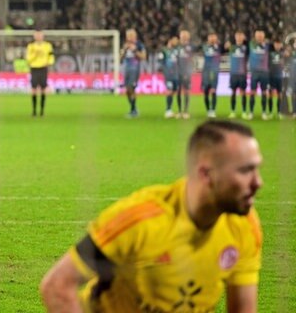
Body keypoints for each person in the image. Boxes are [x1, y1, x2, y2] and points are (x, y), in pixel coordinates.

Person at [40, 119, 263, 313]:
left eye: (257, 169)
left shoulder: (244, 225)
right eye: (245, 171)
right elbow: (57, 285)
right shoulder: (139, 220)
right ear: (206, 174)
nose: (257, 182)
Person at [26, 29, 55, 117]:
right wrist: (36, 54)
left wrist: (49, 62)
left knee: (43, 89)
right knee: (34, 89)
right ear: (34, 36)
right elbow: (28, 58)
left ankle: (42, 111)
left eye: (40, 35)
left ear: (43, 36)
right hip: (34, 68)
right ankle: (34, 111)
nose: (38, 37)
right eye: (37, 35)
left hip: (43, 68)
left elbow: (51, 56)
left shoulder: (47, 46)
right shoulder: (31, 46)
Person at [120, 29, 146, 118]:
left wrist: (135, 50)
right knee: (127, 90)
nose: (129, 37)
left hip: (135, 69)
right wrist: (123, 52)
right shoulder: (125, 45)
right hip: (126, 69)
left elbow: (143, 57)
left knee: (132, 88)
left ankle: (133, 110)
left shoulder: (139, 45)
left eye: (131, 35)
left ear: (135, 36)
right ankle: (133, 108)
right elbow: (120, 59)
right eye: (128, 35)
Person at [247, 30, 270, 120]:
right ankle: (251, 112)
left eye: (261, 36)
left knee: (264, 93)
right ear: (255, 36)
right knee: (252, 92)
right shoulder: (250, 45)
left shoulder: (268, 46)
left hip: (264, 72)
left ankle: (264, 112)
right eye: (258, 36)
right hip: (254, 73)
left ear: (264, 36)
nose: (259, 37)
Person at [201, 33, 224, 118]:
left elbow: (227, 49)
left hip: (215, 71)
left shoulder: (219, 47)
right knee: (206, 92)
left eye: (214, 37)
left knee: (214, 90)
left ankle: (213, 110)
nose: (212, 39)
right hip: (206, 72)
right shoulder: (204, 46)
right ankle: (208, 110)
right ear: (208, 38)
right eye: (210, 37)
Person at [227, 31, 249, 119]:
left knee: (243, 93)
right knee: (233, 92)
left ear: (243, 37)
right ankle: (232, 111)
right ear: (235, 37)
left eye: (241, 36)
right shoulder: (231, 47)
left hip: (242, 73)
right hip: (233, 73)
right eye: (238, 36)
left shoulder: (246, 47)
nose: (239, 37)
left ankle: (244, 112)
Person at [158, 36, 179, 118]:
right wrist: (164, 69)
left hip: (177, 74)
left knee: (174, 91)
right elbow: (160, 61)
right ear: (170, 40)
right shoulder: (164, 51)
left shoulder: (177, 50)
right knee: (169, 91)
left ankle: (173, 110)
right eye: (175, 40)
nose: (177, 42)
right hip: (168, 74)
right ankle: (168, 110)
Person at [268, 38, 284, 119]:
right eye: (276, 44)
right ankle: (270, 112)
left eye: (279, 44)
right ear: (274, 45)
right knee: (270, 95)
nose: (277, 46)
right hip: (271, 77)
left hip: (280, 77)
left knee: (280, 95)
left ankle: (279, 112)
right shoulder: (270, 53)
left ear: (281, 45)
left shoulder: (284, 53)